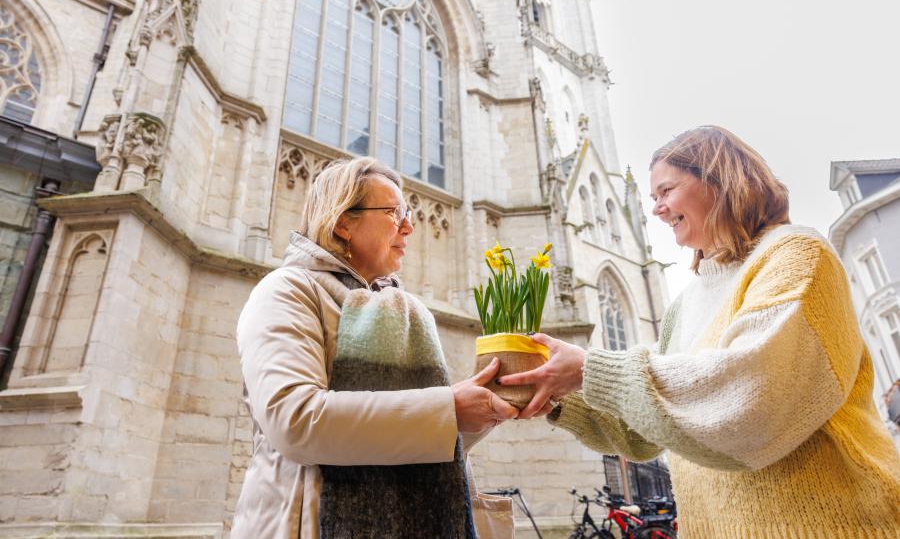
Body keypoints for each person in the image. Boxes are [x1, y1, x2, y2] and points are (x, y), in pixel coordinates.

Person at [499, 126, 900, 537]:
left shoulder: (796, 254)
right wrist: (552, 392)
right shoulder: (685, 303)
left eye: (666, 191)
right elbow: (642, 433)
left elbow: (750, 403)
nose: (656, 209)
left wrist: (589, 370)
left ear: (719, 178)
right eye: (652, 198)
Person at [232, 157, 517, 539]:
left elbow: (418, 442)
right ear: (343, 222)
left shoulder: (405, 312)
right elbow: (295, 421)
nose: (409, 226)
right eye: (394, 212)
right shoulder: (287, 290)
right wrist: (448, 408)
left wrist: (488, 410)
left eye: (409, 212)